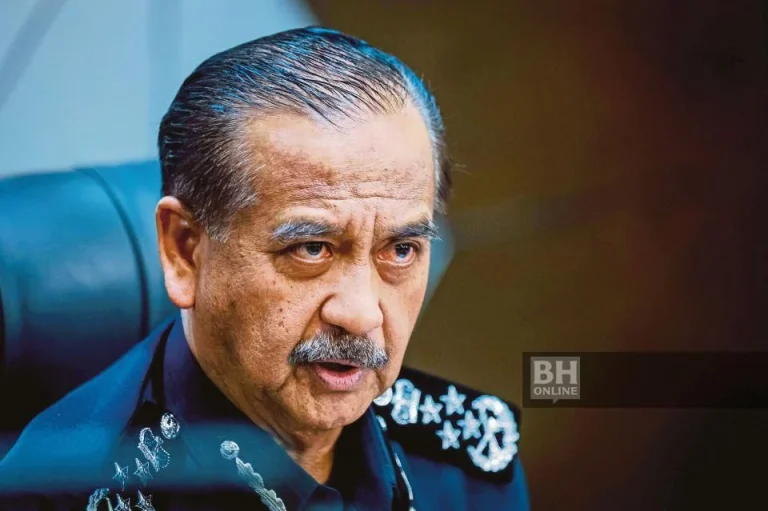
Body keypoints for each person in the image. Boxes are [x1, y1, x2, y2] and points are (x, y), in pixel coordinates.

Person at [0, 27, 529, 510]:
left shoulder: (467, 459)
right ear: (185, 250)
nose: (362, 314)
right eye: (312, 249)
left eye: (401, 249)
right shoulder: (58, 499)